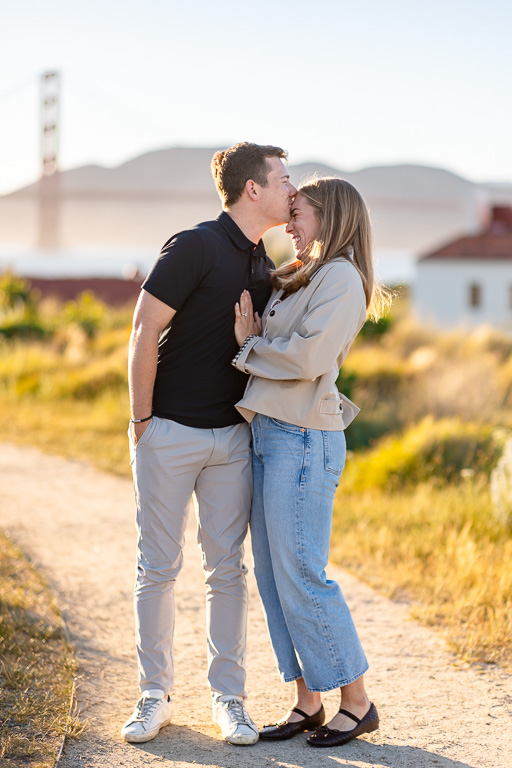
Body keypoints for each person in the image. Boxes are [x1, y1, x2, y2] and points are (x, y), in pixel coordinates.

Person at [121, 142, 297, 746]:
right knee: (158, 569)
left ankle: (230, 701)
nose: (291, 189)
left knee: (227, 572)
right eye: (284, 179)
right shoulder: (193, 244)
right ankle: (154, 696)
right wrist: (141, 421)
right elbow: (144, 329)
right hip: (168, 431)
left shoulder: (262, 259)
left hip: (231, 439)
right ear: (253, 188)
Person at [232, 176, 385, 748]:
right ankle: (307, 700)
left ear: (332, 217)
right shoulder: (304, 275)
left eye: (299, 214)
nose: (289, 224)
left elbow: (310, 356)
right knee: (273, 576)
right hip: (272, 433)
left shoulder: (342, 277)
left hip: (304, 440)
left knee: (303, 574)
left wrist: (249, 349)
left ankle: (358, 701)